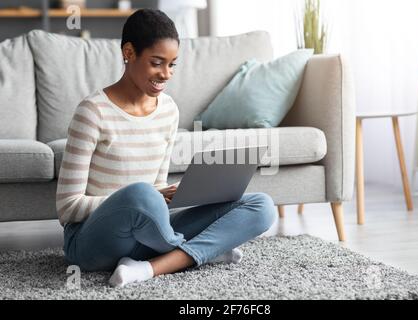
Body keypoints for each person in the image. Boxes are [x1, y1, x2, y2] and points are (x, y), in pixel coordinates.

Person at [56, 9, 276, 288]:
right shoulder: (92, 112)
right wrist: (139, 199)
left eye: (173, 64)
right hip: (91, 243)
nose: (166, 74)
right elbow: (67, 208)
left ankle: (146, 269)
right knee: (141, 193)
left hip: (149, 237)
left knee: (262, 206)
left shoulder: (169, 110)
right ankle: (201, 251)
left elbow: (157, 187)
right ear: (129, 53)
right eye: (157, 63)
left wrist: (179, 192)